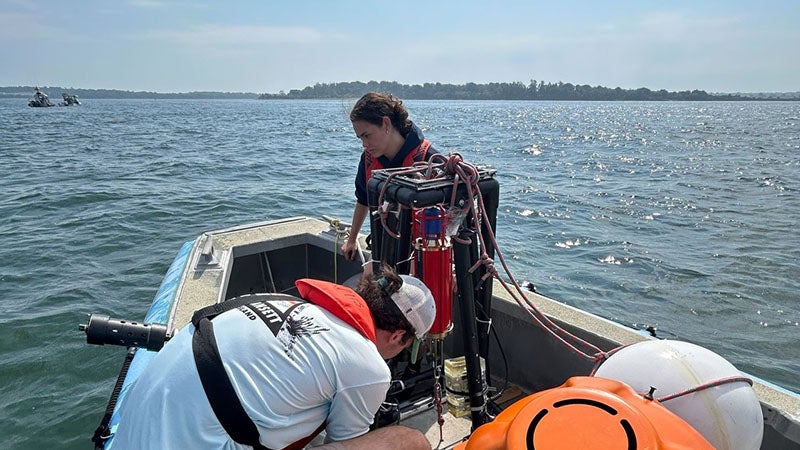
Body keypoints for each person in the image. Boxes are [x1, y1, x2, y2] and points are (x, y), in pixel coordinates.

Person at [108, 265, 436, 450]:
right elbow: (345, 443)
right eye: (406, 347)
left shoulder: (281, 302)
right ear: (397, 336)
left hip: (131, 436)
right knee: (411, 442)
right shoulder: (370, 367)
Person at [342, 92, 440, 264]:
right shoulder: (368, 159)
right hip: (382, 246)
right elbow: (363, 199)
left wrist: (452, 267)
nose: (364, 144)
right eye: (360, 138)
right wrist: (352, 239)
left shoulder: (429, 160)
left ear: (386, 123)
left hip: (422, 252)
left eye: (367, 136)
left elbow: (453, 215)